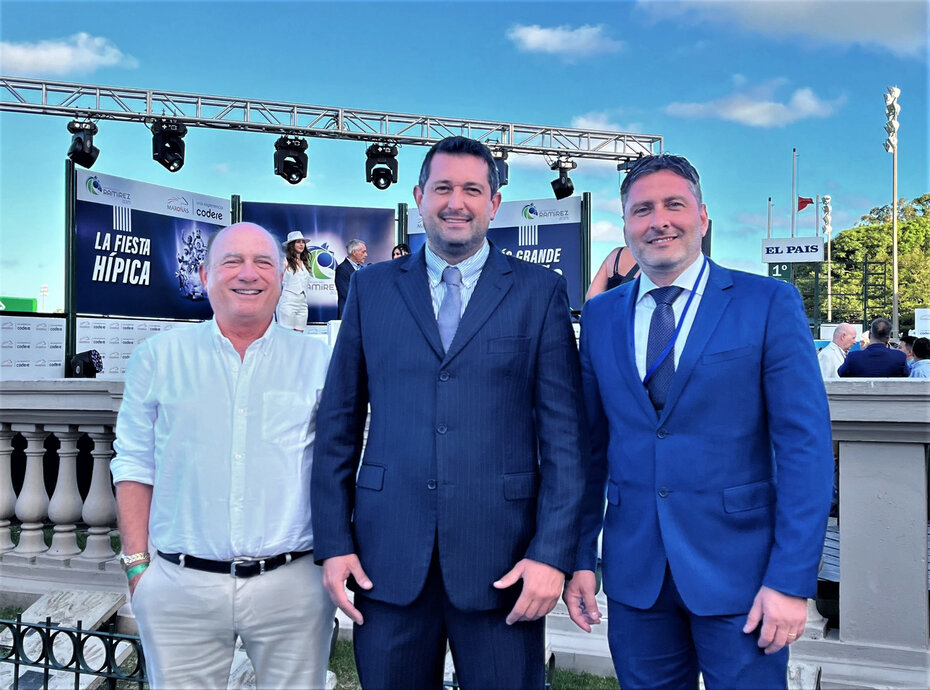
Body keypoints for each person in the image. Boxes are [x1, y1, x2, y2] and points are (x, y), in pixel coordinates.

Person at [311, 136, 585, 689]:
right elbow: (338, 425)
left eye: (471, 189)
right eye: (442, 188)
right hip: (386, 561)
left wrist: (551, 554)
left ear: (493, 202)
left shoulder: (540, 292)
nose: (455, 202)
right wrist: (334, 545)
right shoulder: (371, 289)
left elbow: (564, 439)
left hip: (505, 563)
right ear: (418, 196)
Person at [563, 154, 833, 689]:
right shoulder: (599, 316)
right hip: (636, 575)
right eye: (642, 209)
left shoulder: (768, 302)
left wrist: (791, 580)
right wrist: (580, 559)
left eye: (674, 205)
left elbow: (805, 449)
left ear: (703, 218)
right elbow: (591, 450)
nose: (658, 220)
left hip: (745, 578)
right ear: (625, 226)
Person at [111, 222, 336, 689]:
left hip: (292, 587)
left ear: (282, 277)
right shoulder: (158, 357)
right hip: (179, 583)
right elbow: (134, 462)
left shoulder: (319, 361)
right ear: (205, 274)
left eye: (263, 262)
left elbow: (341, 464)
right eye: (232, 261)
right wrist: (137, 568)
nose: (248, 274)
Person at [838, 317, 909, 377]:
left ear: (869, 335)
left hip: (861, 393)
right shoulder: (900, 357)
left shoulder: (853, 357)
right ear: (888, 338)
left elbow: (840, 373)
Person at [276, 230, 312, 331]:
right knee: (286, 334)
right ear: (292, 245)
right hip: (288, 301)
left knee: (299, 335)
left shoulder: (305, 263)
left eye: (303, 242)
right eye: (298, 242)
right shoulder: (284, 261)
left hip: (303, 302)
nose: (301, 244)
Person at [334, 238, 367, 318]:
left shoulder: (363, 269)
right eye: (363, 252)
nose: (366, 255)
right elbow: (348, 294)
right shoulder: (342, 269)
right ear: (354, 252)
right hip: (348, 316)